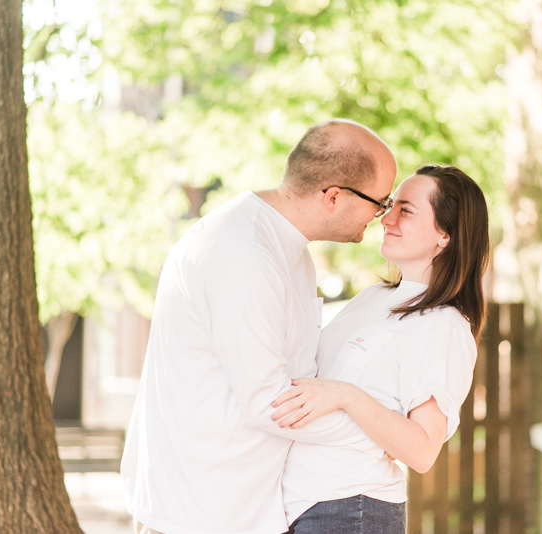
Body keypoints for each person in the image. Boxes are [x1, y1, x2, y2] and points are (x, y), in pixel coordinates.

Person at [121, 119, 397, 534]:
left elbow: (300, 376)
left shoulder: (289, 251)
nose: (382, 215)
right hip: (198, 512)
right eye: (381, 202)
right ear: (334, 196)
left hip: (238, 506)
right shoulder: (244, 253)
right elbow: (271, 402)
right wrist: (382, 437)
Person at [271, 164, 490, 534]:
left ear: (445, 235)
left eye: (406, 209)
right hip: (297, 504)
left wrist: (346, 396)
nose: (386, 218)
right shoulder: (374, 297)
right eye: (391, 206)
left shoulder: (444, 326)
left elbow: (422, 451)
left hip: (350, 509)